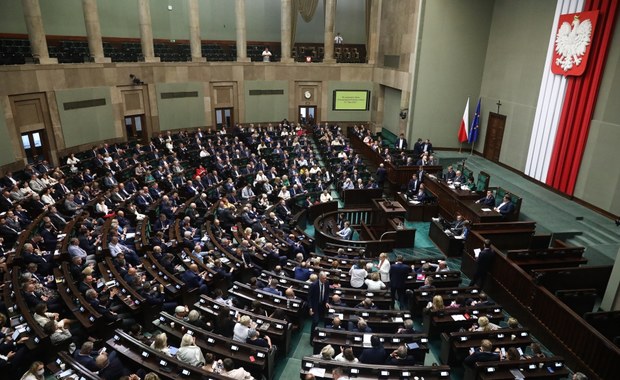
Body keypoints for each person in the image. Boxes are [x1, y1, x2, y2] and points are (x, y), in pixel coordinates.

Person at [308, 271, 330, 343]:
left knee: (327, 319)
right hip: (315, 306)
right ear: (320, 278)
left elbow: (327, 293)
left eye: (325, 278)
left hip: (323, 305)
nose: (325, 279)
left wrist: (327, 302)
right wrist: (310, 308)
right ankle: (312, 339)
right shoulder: (313, 285)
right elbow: (309, 297)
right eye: (323, 278)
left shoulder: (327, 283)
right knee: (315, 321)